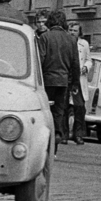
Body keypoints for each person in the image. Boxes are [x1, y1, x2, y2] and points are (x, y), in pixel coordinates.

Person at [37, 9, 80, 149]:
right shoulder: (71, 39)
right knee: (59, 111)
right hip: (63, 81)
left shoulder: (45, 37)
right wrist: (75, 83)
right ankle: (57, 135)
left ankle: (44, 140)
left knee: (44, 110)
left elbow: (41, 59)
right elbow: (75, 64)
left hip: (47, 80)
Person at [71, 25, 91, 145]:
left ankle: (78, 134)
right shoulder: (66, 42)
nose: (72, 32)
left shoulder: (84, 44)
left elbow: (89, 59)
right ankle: (64, 134)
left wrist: (86, 67)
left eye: (75, 30)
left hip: (79, 79)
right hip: (69, 78)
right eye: (71, 30)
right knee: (65, 107)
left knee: (79, 108)